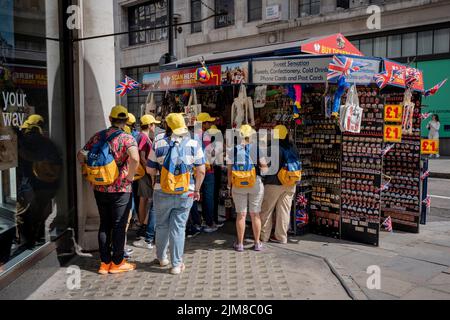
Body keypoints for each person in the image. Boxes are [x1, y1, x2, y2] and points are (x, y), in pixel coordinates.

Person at [77, 105, 140, 275]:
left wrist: (88, 171)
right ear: (126, 121)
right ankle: (117, 262)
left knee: (104, 224)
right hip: (120, 189)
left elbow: (80, 155)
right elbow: (135, 158)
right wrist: (129, 177)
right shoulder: (127, 138)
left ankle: (104, 263)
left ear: (110, 119)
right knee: (119, 225)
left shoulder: (98, 137)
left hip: (99, 187)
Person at [147, 113, 205, 275]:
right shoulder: (193, 143)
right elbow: (201, 170)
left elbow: (150, 168)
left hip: (161, 189)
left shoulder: (158, 142)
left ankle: (161, 257)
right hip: (186, 191)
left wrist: (155, 177)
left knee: (162, 225)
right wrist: (197, 189)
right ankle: (176, 265)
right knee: (178, 227)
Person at [16, 114, 62, 249]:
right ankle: (39, 236)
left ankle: (27, 242)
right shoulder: (48, 142)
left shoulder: (27, 141)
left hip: (31, 184)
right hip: (49, 184)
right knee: (41, 212)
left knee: (23, 213)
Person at [227, 124, 266, 252]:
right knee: (255, 214)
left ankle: (240, 244)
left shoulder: (232, 150)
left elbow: (229, 171)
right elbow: (264, 166)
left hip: (238, 184)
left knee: (241, 215)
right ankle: (257, 243)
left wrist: (229, 185)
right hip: (254, 183)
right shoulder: (257, 148)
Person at [260, 125, 299, 244]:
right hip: (290, 183)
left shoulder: (272, 148)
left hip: (273, 183)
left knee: (267, 210)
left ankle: (264, 236)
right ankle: (281, 237)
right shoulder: (293, 147)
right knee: (284, 211)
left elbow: (264, 165)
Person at [133, 114, 161, 250]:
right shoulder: (144, 137)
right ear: (149, 125)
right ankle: (144, 228)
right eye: (153, 124)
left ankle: (142, 226)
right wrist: (150, 173)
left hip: (142, 173)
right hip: (145, 174)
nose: (154, 126)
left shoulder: (140, 136)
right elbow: (143, 157)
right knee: (149, 201)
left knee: (144, 200)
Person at [192, 112, 219, 233]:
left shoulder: (191, 136)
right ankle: (209, 223)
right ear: (203, 124)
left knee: (193, 195)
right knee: (208, 197)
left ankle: (196, 222)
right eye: (208, 122)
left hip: (193, 170)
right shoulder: (206, 136)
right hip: (207, 170)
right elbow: (211, 153)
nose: (210, 124)